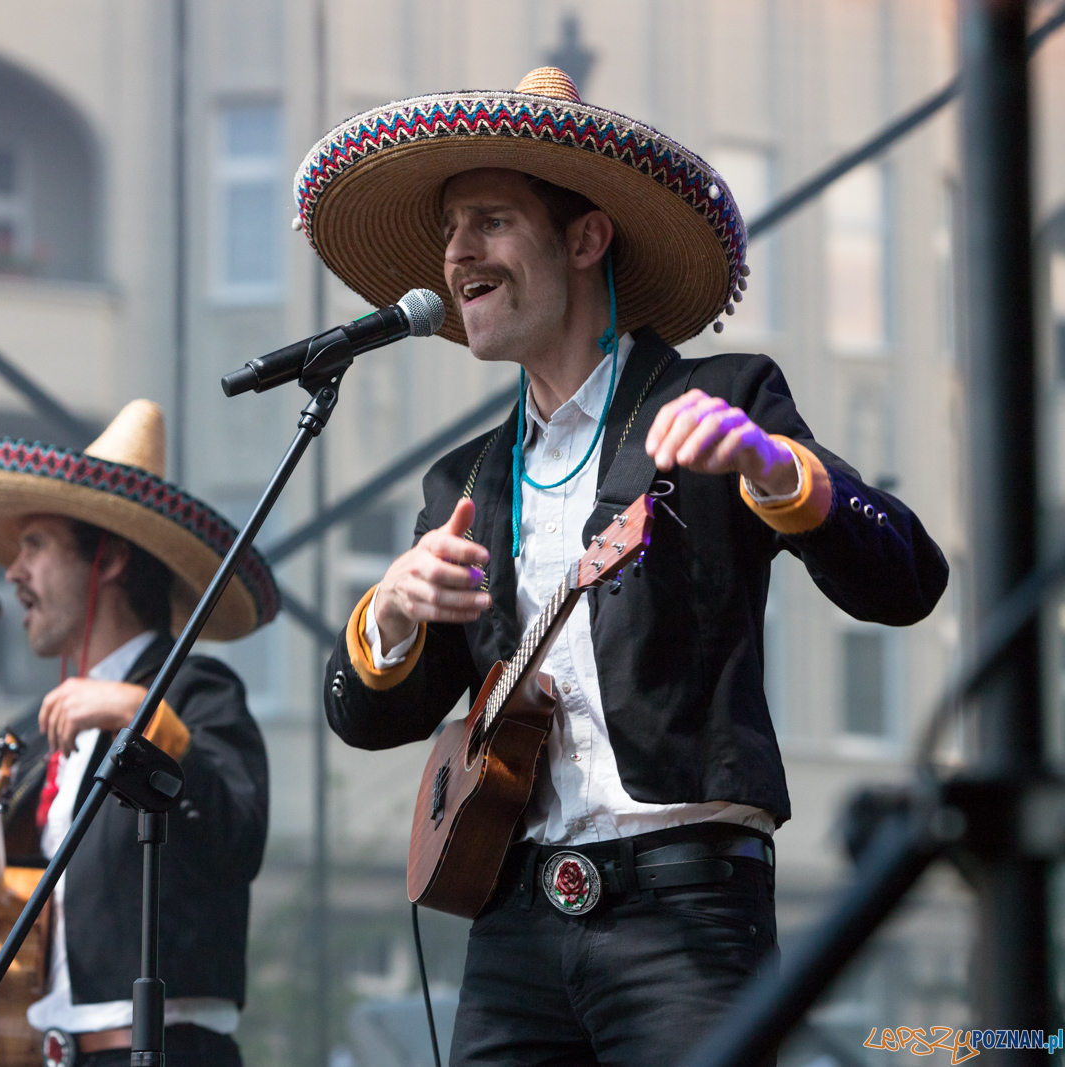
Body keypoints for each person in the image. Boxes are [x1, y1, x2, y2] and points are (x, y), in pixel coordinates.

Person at [297, 67, 948, 1065]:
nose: (456, 252)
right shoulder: (464, 480)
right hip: (511, 911)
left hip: (687, 909)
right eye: (449, 228)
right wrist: (387, 613)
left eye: (490, 220)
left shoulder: (723, 398)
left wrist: (778, 471)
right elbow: (365, 715)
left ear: (586, 236)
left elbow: (909, 580)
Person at [0, 400, 278, 1067]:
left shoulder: (197, 692)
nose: (12, 571)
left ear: (110, 558)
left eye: (35, 545)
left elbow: (236, 833)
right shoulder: (47, 730)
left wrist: (134, 710)